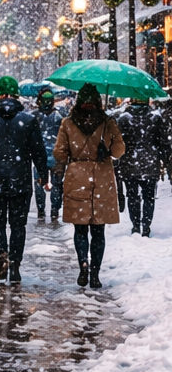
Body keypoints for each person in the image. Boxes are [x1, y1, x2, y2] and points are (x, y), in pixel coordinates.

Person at [0, 75, 48, 284]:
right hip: (20, 179)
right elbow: (38, 151)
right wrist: (43, 173)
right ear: (16, 95)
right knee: (18, 225)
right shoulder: (29, 120)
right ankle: (15, 263)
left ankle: (2, 256)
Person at [53, 82, 125, 288]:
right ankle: (95, 274)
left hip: (77, 177)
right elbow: (119, 151)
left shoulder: (68, 123)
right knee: (98, 230)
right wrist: (107, 147)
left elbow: (59, 153)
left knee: (80, 228)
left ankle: (83, 264)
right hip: (101, 177)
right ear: (97, 101)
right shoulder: (107, 122)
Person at [114, 96, 171, 237]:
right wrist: (166, 161)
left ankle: (135, 225)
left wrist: (117, 159)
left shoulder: (123, 119)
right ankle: (146, 226)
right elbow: (163, 143)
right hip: (150, 163)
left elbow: (118, 143)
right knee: (149, 196)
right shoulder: (155, 118)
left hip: (129, 163)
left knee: (132, 196)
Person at [34, 87, 64, 222]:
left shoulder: (34, 116)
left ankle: (41, 210)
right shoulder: (60, 117)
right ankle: (54, 210)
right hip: (56, 156)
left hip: (39, 156)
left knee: (39, 183)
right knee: (57, 184)